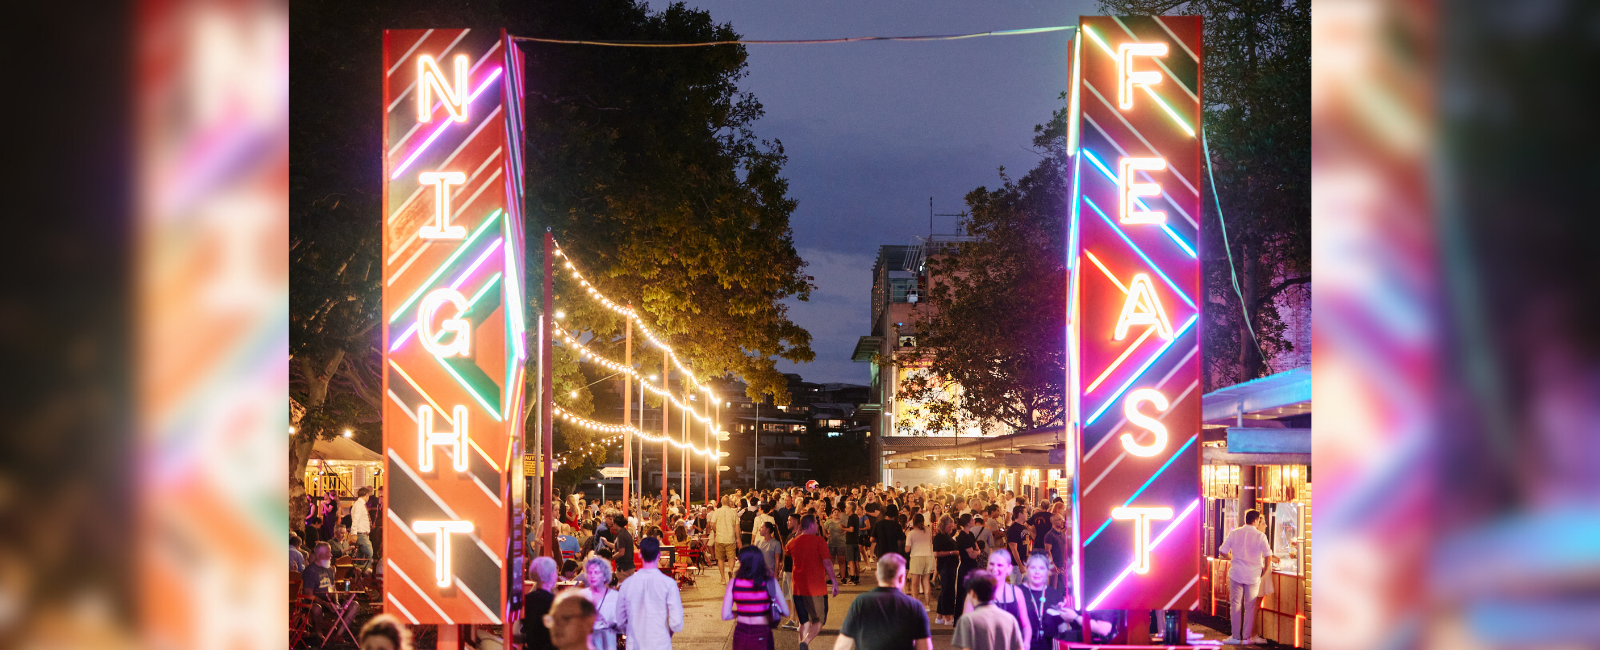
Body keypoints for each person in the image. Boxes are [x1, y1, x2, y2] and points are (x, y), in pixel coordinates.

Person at [833, 553, 932, 650]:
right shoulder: (914, 606)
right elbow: (924, 646)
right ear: (902, 578)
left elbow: (843, 644)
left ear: (877, 575)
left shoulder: (861, 602)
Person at [1219, 509, 1277, 646]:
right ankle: (1246, 638)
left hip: (1236, 573)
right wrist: (1264, 570)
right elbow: (1268, 555)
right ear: (1256, 520)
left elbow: (1222, 551)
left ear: (1246, 519)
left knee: (1235, 605)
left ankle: (1234, 636)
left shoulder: (1235, 533)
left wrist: (1232, 558)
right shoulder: (1260, 536)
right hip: (1253, 575)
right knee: (1250, 606)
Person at [617, 537, 685, 648]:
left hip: (634, 644)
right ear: (659, 554)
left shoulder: (627, 584)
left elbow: (620, 621)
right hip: (660, 643)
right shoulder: (669, 584)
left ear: (640, 554)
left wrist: (630, 631)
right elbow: (677, 623)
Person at [787, 514, 840, 650]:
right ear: (811, 525)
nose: (817, 526)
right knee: (819, 620)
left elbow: (786, 550)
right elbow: (827, 561)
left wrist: (797, 534)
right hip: (816, 589)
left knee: (804, 621)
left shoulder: (794, 542)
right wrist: (834, 581)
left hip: (798, 588)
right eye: (816, 524)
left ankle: (804, 643)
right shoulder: (819, 541)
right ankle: (806, 641)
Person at [722, 545, 789, 650]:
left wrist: (741, 612)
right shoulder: (770, 582)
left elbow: (725, 615)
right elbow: (786, 611)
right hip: (762, 632)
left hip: (741, 633)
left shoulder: (734, 583)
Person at [961, 551, 1031, 642]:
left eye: (1000, 565)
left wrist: (1026, 644)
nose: (994, 569)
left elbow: (1026, 625)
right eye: (991, 564)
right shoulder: (975, 592)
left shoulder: (1017, 592)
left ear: (1009, 568)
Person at [952, 570, 1025, 650]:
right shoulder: (1010, 618)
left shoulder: (968, 620)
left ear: (972, 593)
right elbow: (1019, 648)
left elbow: (967, 648)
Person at [581, 556, 623, 650]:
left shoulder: (615, 596)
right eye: (590, 572)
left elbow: (623, 623)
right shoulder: (581, 596)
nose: (593, 576)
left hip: (607, 644)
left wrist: (611, 624)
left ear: (605, 576)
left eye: (596, 572)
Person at [524, 556, 559, 650]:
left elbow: (517, 632)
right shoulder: (554, 603)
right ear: (552, 575)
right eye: (555, 572)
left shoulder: (526, 600)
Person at [932, 515, 960, 626]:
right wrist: (952, 552)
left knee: (946, 590)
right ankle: (947, 616)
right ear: (944, 525)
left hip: (951, 565)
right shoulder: (939, 537)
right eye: (949, 526)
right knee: (948, 591)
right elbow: (936, 553)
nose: (951, 528)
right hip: (945, 566)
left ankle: (939, 616)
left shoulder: (949, 536)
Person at [953, 514, 982, 623]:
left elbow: (977, 550)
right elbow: (972, 554)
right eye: (972, 519)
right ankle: (961, 619)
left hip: (973, 566)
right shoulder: (962, 536)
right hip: (966, 567)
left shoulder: (971, 534)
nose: (974, 520)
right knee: (963, 593)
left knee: (973, 592)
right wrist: (976, 552)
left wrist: (977, 552)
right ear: (967, 522)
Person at [904, 514, 934, 607]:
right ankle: (927, 604)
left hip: (916, 557)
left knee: (915, 583)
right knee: (926, 582)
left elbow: (907, 549)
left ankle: (915, 603)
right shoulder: (928, 531)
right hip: (928, 557)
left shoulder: (911, 533)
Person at [711, 496, 743, 584]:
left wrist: (716, 531)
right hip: (730, 538)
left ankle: (723, 578)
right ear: (729, 502)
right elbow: (737, 526)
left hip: (719, 538)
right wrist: (738, 539)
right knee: (731, 557)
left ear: (721, 502)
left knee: (720, 559)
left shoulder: (717, 512)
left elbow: (712, 524)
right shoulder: (733, 513)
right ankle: (730, 570)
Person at [825, 509, 849, 586]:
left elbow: (848, 529)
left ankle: (843, 577)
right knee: (831, 561)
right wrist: (826, 535)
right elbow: (823, 529)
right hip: (831, 544)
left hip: (841, 543)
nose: (836, 514)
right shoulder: (829, 522)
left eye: (838, 512)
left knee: (841, 561)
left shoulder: (843, 521)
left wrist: (844, 532)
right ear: (832, 514)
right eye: (834, 512)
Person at [351, 487, 374, 559]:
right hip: (361, 533)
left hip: (362, 533)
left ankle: (359, 569)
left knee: (360, 556)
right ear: (366, 495)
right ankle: (365, 569)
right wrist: (354, 533)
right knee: (369, 554)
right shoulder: (359, 505)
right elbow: (355, 519)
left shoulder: (359, 504)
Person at [611, 515, 636, 579]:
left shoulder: (621, 536)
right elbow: (620, 547)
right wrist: (606, 543)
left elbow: (621, 552)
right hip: (629, 567)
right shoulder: (627, 533)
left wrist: (611, 558)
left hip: (624, 568)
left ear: (616, 523)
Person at [843, 501, 862, 585]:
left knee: (851, 560)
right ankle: (857, 578)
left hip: (850, 541)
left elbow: (851, 529)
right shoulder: (856, 517)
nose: (846, 509)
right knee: (856, 561)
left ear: (850, 508)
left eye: (847, 507)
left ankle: (852, 579)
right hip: (855, 540)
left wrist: (843, 529)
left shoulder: (851, 517)